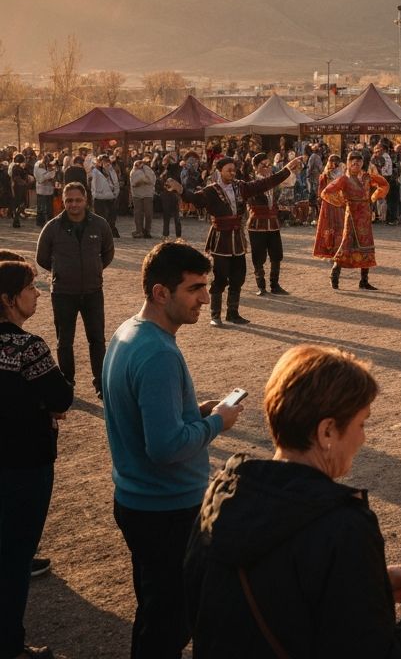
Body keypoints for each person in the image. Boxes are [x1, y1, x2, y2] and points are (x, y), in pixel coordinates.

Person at [184, 345, 401, 658]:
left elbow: (247, 600)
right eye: (361, 424)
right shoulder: (343, 527)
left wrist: (372, 586)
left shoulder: (224, 494)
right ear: (327, 431)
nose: (363, 438)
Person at [102, 241, 244, 659]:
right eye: (195, 288)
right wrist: (217, 421)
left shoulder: (128, 332)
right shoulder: (158, 353)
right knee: (169, 626)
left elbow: (141, 413)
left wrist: (190, 412)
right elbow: (164, 447)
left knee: (155, 614)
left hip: (138, 501)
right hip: (166, 510)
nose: (205, 297)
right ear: (161, 293)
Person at [0, 259, 74, 659]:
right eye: (30, 287)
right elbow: (61, 397)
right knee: (14, 558)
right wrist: (44, 404)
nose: (37, 293)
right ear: (9, 300)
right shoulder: (28, 347)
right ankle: (9, 644)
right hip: (25, 465)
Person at [176, 155, 301, 326]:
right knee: (220, 277)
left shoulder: (241, 187)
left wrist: (287, 169)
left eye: (234, 170)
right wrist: (180, 190)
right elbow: (194, 199)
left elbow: (265, 183)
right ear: (219, 171)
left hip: (237, 238)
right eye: (229, 170)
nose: (232, 173)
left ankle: (233, 313)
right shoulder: (211, 191)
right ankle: (215, 315)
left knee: (238, 276)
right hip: (221, 238)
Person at [35, 181, 115, 399]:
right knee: (65, 341)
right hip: (62, 293)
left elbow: (107, 252)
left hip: (92, 292)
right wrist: (61, 271)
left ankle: (100, 383)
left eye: (78, 200)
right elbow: (41, 258)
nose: (74, 204)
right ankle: (67, 382)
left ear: (86, 199)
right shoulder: (52, 227)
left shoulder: (100, 225)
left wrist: (94, 270)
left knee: (97, 339)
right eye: (69, 200)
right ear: (63, 200)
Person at [320, 152, 390, 291]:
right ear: (348, 163)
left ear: (362, 164)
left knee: (366, 245)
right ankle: (334, 275)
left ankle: (364, 281)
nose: (355, 164)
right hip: (351, 216)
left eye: (358, 161)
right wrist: (341, 202)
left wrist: (374, 197)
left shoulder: (367, 177)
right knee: (347, 245)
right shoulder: (344, 180)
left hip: (365, 215)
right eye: (353, 161)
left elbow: (384, 184)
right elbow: (326, 192)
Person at [246, 153, 289, 297]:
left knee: (276, 254)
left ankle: (275, 285)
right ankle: (261, 286)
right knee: (258, 255)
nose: (267, 168)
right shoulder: (251, 184)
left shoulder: (274, 184)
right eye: (263, 165)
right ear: (255, 167)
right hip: (257, 223)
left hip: (273, 223)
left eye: (269, 165)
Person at [312, 154, 346, 281]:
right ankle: (331, 251)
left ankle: (337, 251)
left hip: (338, 205)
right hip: (329, 205)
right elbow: (321, 193)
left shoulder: (341, 176)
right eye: (333, 162)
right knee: (330, 229)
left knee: (339, 229)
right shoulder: (325, 176)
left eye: (336, 162)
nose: (334, 164)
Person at [90, 154, 121, 237]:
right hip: (100, 197)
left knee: (112, 216)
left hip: (111, 197)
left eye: (107, 161)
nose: (106, 163)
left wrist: (116, 193)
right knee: (101, 216)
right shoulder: (95, 171)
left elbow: (116, 182)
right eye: (104, 161)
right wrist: (96, 194)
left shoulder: (111, 170)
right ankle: (101, 232)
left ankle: (111, 231)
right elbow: (93, 183)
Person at [130, 156, 158, 239]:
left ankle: (147, 231)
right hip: (137, 195)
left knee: (148, 213)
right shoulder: (133, 171)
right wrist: (141, 180)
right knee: (138, 213)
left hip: (147, 194)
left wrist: (144, 180)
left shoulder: (148, 170)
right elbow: (133, 183)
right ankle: (139, 231)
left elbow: (152, 180)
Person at [33, 154, 55, 228]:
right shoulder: (39, 165)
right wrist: (50, 174)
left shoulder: (49, 165)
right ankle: (40, 222)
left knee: (49, 206)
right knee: (41, 206)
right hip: (41, 189)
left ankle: (49, 221)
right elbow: (41, 178)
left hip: (49, 189)